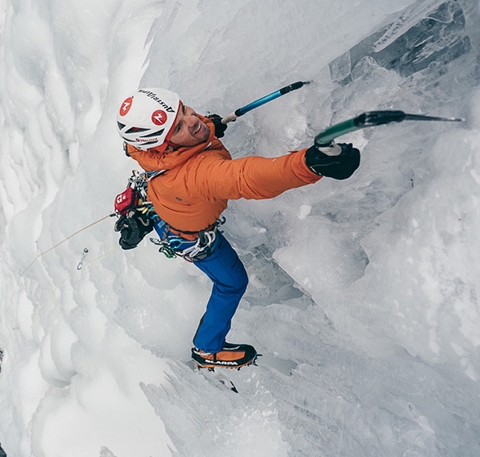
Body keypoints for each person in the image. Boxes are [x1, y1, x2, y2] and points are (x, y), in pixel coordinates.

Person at [116, 87, 360, 368]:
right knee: (232, 283)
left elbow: (180, 130)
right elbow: (245, 177)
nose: (193, 119)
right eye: (180, 127)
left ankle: (146, 212)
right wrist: (308, 164)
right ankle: (207, 349)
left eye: (184, 109)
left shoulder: (143, 146)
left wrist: (208, 127)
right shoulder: (195, 176)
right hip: (188, 235)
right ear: (163, 147)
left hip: (165, 202)